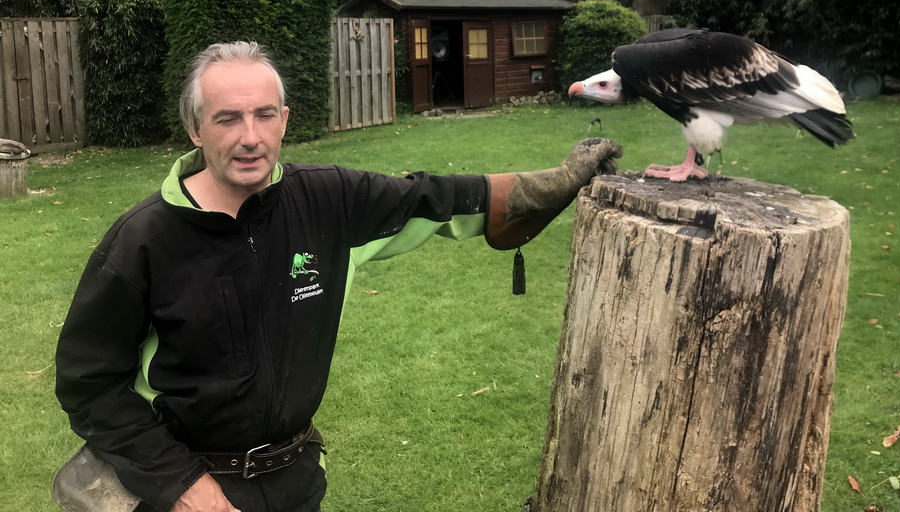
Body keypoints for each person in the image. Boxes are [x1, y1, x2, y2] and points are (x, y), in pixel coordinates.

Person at [54, 41, 621, 512]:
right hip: (184, 489)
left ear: (284, 120)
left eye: (264, 114)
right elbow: (90, 383)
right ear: (196, 129)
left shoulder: (329, 200)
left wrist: (538, 187)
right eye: (227, 118)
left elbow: (431, 197)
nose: (249, 136)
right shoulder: (143, 239)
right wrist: (180, 485)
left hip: (296, 481)